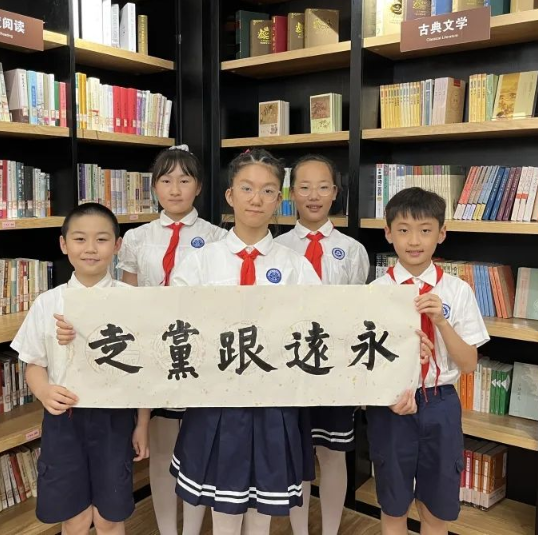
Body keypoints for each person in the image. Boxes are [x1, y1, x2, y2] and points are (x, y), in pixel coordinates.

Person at [61, 145, 226, 535]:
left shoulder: (218, 237)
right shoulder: (135, 238)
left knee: (199, 451)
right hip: (152, 355)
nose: (175, 189)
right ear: (154, 187)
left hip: (199, 355)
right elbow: (127, 301)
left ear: (199, 186)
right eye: (166, 180)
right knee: (161, 448)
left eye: (184, 180)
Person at [169, 148, 321, 535]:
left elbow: (316, 329)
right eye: (247, 188)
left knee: (262, 509)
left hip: (273, 402)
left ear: (279, 200)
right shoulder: (200, 262)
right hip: (216, 401)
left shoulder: (296, 266)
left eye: (268, 191)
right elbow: (177, 327)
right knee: (223, 508)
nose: (256, 199)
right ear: (230, 195)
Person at [10, 203, 150, 535]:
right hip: (65, 421)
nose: (90, 249)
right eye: (79, 239)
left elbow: (145, 374)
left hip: (115, 420)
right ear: (63, 244)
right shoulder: (48, 302)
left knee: (109, 516)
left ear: (117, 246)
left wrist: (142, 424)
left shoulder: (134, 300)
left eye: (101, 239)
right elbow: (33, 363)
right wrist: (44, 391)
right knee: (74, 517)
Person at [369, 187, 489, 535]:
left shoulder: (457, 291)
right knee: (393, 504)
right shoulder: (375, 292)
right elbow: (364, 365)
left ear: (442, 233)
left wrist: (441, 323)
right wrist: (389, 393)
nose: (414, 241)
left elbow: (468, 364)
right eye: (403, 230)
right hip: (391, 405)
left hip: (440, 403)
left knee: (437, 507)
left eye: (425, 230)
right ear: (388, 233)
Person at [274, 154, 368, 535]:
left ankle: (330, 530)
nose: (314, 196)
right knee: (296, 457)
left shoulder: (353, 250)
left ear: (335, 192)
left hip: (336, 371)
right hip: (290, 369)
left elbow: (360, 317)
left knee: (333, 455)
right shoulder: (277, 248)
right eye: (305, 187)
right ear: (291, 193)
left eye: (323, 187)